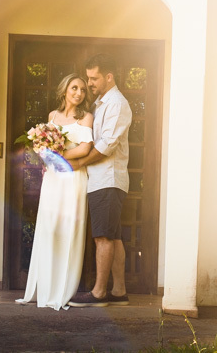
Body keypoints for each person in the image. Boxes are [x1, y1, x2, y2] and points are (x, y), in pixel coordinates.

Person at [16, 73, 94, 310]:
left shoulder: (87, 117)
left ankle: (63, 289)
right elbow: (43, 147)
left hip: (73, 179)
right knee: (50, 228)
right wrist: (46, 152)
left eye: (82, 89)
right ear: (64, 90)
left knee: (68, 230)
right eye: (74, 88)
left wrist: (58, 155)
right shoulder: (52, 116)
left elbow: (85, 148)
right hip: (52, 179)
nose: (79, 93)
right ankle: (46, 286)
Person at [67, 53, 132, 307]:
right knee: (113, 237)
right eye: (87, 78)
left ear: (109, 76)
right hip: (101, 180)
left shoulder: (117, 103)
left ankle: (98, 293)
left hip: (108, 179)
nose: (89, 83)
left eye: (94, 78)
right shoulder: (100, 102)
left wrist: (79, 163)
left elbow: (106, 145)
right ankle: (119, 291)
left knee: (102, 237)